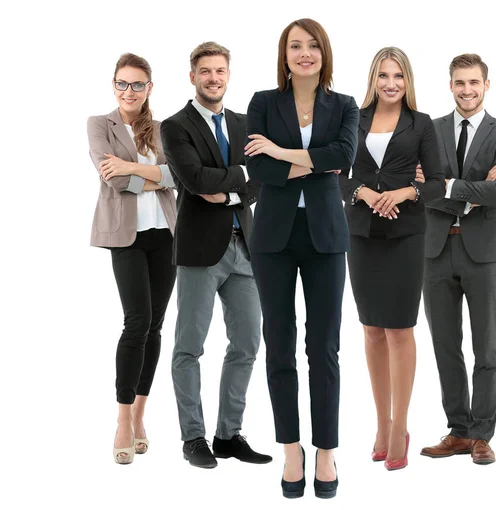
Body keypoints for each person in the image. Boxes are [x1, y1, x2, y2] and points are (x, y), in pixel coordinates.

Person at [245, 18, 358, 499]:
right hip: (272, 236)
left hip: (326, 237)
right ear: (284, 54)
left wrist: (282, 152)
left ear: (324, 52)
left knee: (325, 347)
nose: (304, 52)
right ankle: (292, 449)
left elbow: (344, 155)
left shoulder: (346, 104)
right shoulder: (262, 102)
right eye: (295, 45)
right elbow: (257, 165)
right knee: (280, 345)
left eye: (312, 45)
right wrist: (306, 160)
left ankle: (326, 450)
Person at [160, 42, 271, 470]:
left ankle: (228, 434)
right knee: (189, 346)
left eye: (220, 71)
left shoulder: (247, 124)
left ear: (229, 74)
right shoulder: (176, 126)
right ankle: (194, 438)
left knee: (246, 343)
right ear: (193, 77)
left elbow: (263, 179)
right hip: (200, 252)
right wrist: (241, 177)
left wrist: (226, 189)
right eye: (205, 71)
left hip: (246, 248)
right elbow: (192, 177)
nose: (213, 78)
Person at [339, 47, 445, 471]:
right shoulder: (352, 118)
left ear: (408, 80)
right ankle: (381, 424)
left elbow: (436, 182)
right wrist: (362, 193)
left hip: (405, 234)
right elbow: (334, 174)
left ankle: (401, 423)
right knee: (370, 330)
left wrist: (405, 192)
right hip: (361, 234)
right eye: (383, 75)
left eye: (398, 75)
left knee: (399, 329)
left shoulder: (422, 125)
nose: (390, 83)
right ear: (373, 78)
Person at [418, 53, 496, 465]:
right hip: (434, 250)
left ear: (486, 85)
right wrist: (468, 195)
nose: (467, 90)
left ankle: (481, 435)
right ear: (450, 85)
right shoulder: (429, 130)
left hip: (485, 253)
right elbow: (419, 188)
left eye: (473, 82)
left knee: (486, 347)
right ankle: (458, 431)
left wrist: (446, 186)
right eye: (459, 83)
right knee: (445, 346)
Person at [87, 53, 177, 464]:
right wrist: (150, 174)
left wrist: (148, 172)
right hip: (126, 237)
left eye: (137, 84)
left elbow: (179, 177)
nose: (129, 91)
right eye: (122, 83)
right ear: (114, 85)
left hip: (167, 235)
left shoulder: (162, 129)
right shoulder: (99, 125)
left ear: (149, 89)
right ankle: (122, 419)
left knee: (155, 326)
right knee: (136, 321)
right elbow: (115, 178)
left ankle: (141, 414)